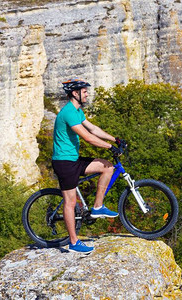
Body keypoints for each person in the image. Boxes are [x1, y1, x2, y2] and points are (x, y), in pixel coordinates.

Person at [52, 77, 123, 254]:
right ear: (75, 93)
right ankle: (74, 242)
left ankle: (97, 207)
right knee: (70, 202)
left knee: (107, 167)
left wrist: (115, 139)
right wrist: (109, 147)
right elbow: (88, 138)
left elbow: (93, 129)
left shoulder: (77, 112)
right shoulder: (68, 112)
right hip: (63, 162)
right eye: (84, 91)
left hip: (73, 159)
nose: (87, 94)